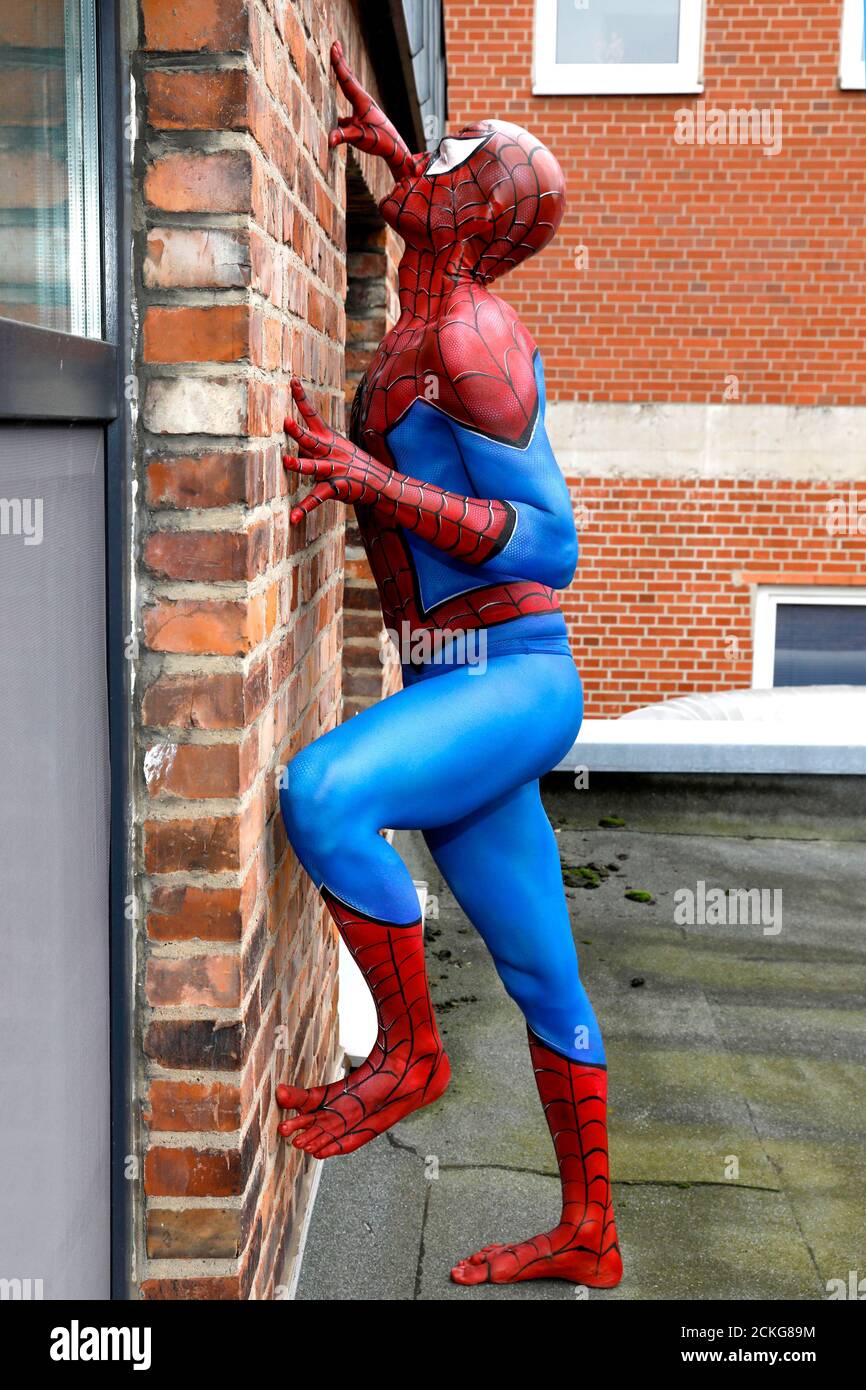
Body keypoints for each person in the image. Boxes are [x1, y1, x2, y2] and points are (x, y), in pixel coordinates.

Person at [277, 41, 622, 1289]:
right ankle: (590, 1231)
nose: (430, 155)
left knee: (322, 795)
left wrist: (374, 480)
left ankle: (409, 1057)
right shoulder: (432, 302)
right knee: (544, 973)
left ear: (471, 216)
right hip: (453, 680)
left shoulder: (472, 331)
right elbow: (434, 193)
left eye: (453, 158)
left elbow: (552, 542)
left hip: (508, 674)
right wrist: (398, 156)